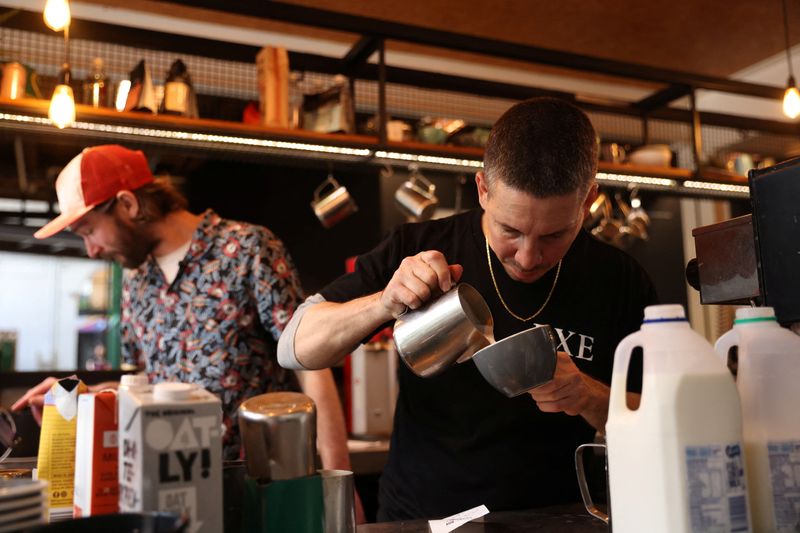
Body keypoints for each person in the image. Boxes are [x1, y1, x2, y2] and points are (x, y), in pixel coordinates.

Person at [278, 97, 658, 521]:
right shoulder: (419, 248)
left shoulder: (620, 280)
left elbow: (661, 419)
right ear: (482, 189)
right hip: (422, 519)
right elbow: (294, 347)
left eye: (555, 235)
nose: (528, 256)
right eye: (510, 230)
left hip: (562, 517)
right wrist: (384, 302)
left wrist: (588, 395)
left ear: (588, 202)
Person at [11, 145, 359, 510]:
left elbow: (311, 361)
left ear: (128, 204)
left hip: (262, 489)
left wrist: (339, 488)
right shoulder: (136, 283)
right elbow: (154, 385)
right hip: (172, 492)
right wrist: (82, 397)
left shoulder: (247, 249)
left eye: (89, 231)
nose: (91, 250)